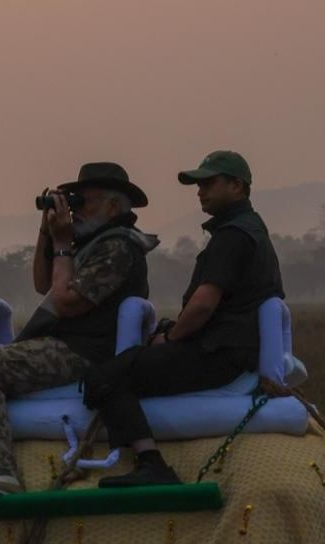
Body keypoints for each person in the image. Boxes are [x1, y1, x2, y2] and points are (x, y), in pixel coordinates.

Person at [0, 163, 160, 497]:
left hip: (87, 352)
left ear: (113, 205)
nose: (75, 210)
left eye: (84, 202)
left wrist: (63, 242)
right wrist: (47, 232)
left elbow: (64, 301)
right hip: (68, 344)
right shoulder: (93, 242)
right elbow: (41, 283)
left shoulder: (119, 247)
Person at [89, 150, 285, 487]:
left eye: (209, 183)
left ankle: (151, 464)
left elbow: (202, 306)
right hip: (230, 348)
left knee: (106, 376)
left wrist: (171, 337)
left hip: (218, 352)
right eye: (198, 184)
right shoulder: (249, 229)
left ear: (237, 186)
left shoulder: (232, 235)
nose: (200, 191)